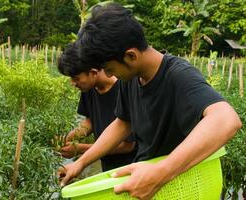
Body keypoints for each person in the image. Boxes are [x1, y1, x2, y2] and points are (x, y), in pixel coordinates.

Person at [58, 3, 242, 200]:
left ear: (131, 55)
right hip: (151, 185)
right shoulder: (131, 79)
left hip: (181, 185)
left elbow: (226, 119)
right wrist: (81, 162)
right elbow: (122, 123)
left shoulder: (178, 75)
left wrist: (161, 173)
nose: (111, 75)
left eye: (110, 69)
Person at [57, 43, 137, 172]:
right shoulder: (89, 89)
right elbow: (91, 121)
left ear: (93, 72)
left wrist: (80, 148)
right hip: (107, 164)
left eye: (76, 78)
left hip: (130, 167)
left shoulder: (124, 88)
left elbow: (128, 145)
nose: (73, 84)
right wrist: (68, 138)